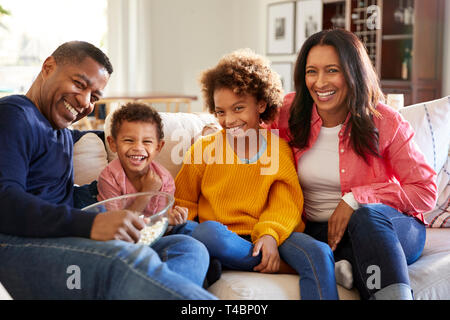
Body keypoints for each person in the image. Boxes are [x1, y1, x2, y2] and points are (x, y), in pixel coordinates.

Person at [0, 41, 215, 300]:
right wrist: (91, 224)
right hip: (17, 243)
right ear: (48, 67)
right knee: (127, 259)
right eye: (79, 84)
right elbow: (4, 199)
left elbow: (117, 137)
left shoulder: (63, 133)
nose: (84, 101)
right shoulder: (15, 115)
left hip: (63, 238)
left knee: (188, 247)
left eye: (94, 97)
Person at [272, 29, 437, 299]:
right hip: (323, 234)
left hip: (389, 227)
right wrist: (214, 131)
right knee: (309, 245)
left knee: (366, 215)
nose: (320, 82)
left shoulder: (385, 120)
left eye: (332, 70)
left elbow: (425, 191)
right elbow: (245, 125)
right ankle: (343, 266)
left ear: (353, 72)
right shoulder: (290, 112)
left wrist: (355, 199)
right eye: (311, 71)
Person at [174, 48, 339, 300]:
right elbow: (183, 201)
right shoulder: (204, 149)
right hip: (225, 237)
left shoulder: (277, 147)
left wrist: (270, 235)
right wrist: (178, 216)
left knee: (318, 251)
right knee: (206, 233)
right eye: (220, 111)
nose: (229, 119)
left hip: (273, 236)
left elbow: (285, 202)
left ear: (261, 104)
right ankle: (277, 265)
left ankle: (259, 260)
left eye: (238, 108)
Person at [97, 102, 188, 228]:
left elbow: (160, 227)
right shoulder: (109, 178)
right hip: (122, 239)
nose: (138, 148)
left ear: (158, 147)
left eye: (147, 141)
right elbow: (117, 227)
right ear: (113, 143)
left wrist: (171, 221)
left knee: (190, 239)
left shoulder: (164, 179)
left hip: (154, 235)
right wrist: (147, 192)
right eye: (129, 140)